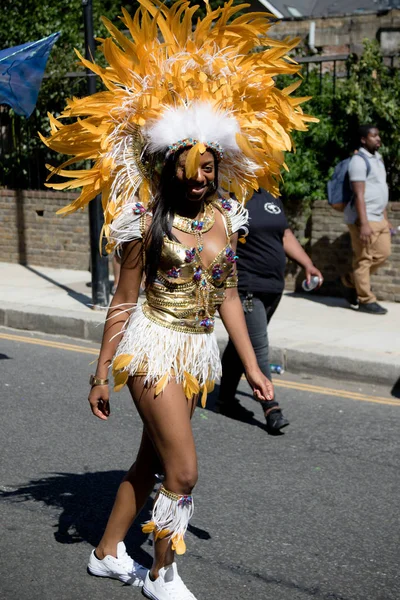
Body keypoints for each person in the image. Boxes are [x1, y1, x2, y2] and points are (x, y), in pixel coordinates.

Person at [41, 2, 317, 598]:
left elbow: (230, 298)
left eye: (208, 168)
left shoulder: (226, 218)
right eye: (189, 169)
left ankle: (108, 551)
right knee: (183, 471)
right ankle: (164, 574)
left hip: (197, 355)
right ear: (169, 169)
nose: (199, 178)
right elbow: (122, 300)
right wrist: (99, 371)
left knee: (152, 465)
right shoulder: (145, 223)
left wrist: (252, 367)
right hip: (151, 349)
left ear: (219, 169)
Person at [216, 189, 323, 431]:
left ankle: (225, 400)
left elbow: (284, 233)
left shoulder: (270, 194)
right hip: (246, 288)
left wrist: (307, 263)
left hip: (273, 288)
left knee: (240, 344)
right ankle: (271, 407)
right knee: (258, 346)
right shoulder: (230, 197)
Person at [341, 125, 393, 314]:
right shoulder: (358, 161)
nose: (378, 139)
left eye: (378, 135)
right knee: (364, 259)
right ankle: (365, 299)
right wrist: (363, 224)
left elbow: (380, 190)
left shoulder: (378, 159)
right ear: (363, 139)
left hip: (379, 217)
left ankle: (349, 280)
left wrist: (385, 217)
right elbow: (359, 194)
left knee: (383, 254)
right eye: (373, 136)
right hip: (364, 218)